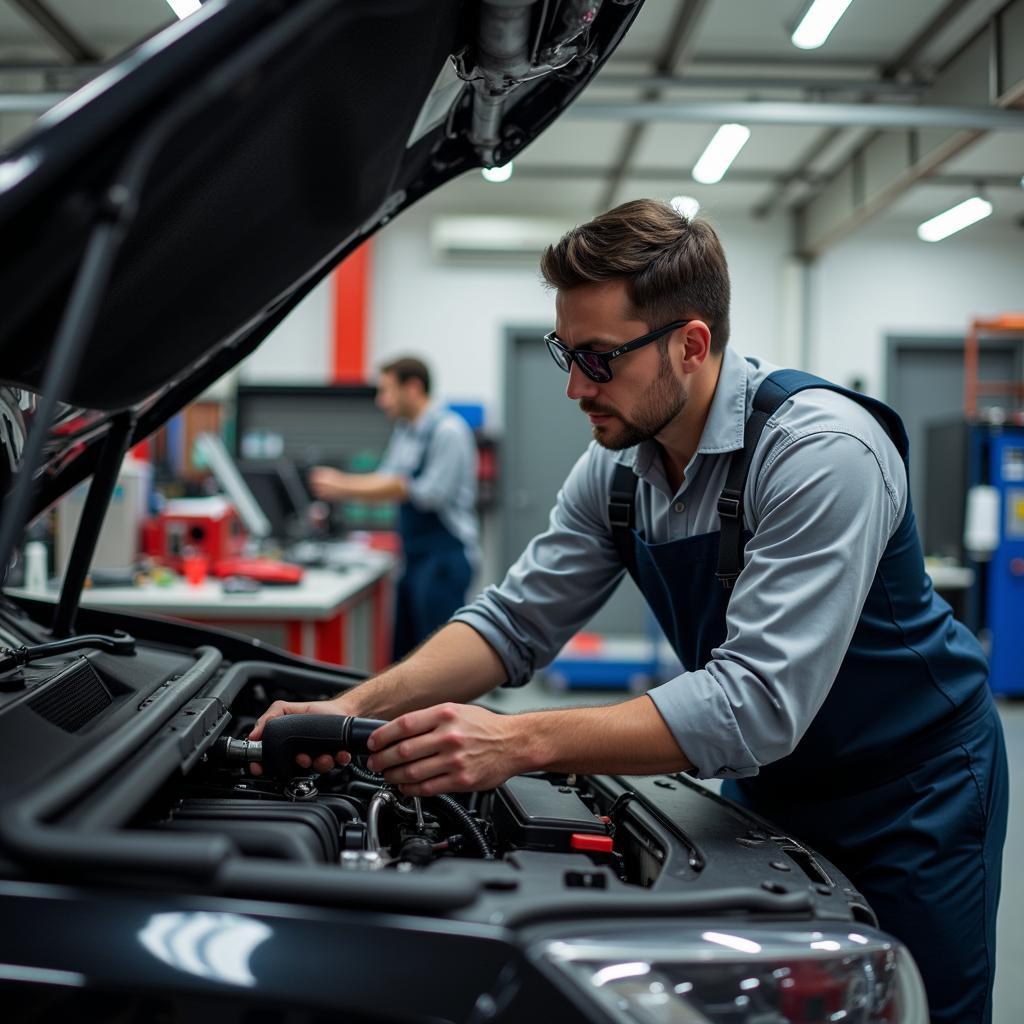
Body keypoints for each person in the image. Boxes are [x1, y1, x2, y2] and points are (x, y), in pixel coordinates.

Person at [254, 200, 1007, 1023]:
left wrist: (517, 741)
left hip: (914, 789)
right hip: (773, 780)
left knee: (918, 1005)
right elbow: (513, 621)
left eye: (600, 359)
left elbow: (755, 704)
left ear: (691, 344)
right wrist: (347, 708)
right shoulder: (619, 473)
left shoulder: (822, 452)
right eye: (565, 354)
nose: (576, 387)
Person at [308, 356, 479, 661]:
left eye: (386, 390)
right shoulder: (405, 432)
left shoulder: (448, 432)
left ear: (412, 388)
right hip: (414, 558)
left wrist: (343, 485)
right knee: (406, 656)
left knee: (436, 661)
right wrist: (341, 489)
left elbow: (427, 494)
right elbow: (386, 479)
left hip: (444, 558)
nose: (381, 401)